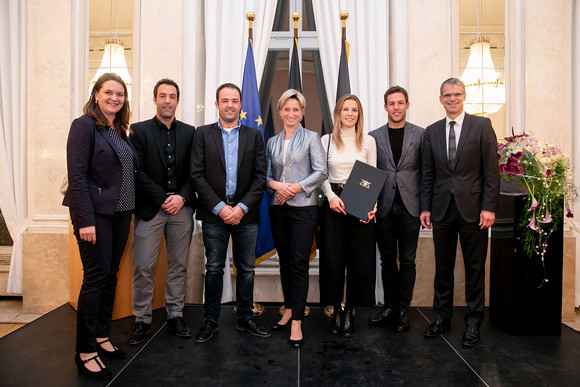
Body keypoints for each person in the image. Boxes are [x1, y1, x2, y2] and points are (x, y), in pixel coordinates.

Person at [63, 73, 136, 379]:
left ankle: (101, 336)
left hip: (121, 214)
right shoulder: (83, 126)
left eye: (119, 94)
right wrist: (85, 221)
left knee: (110, 276)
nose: (114, 98)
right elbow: (77, 176)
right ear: (96, 95)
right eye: (108, 93)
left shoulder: (118, 131)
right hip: (96, 216)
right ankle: (85, 350)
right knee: (95, 279)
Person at [420, 78, 500, 347]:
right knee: (443, 269)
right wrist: (426, 207)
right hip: (442, 210)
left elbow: (491, 170)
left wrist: (489, 206)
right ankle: (441, 317)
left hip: (475, 211)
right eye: (447, 95)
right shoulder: (431, 132)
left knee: (474, 269)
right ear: (440, 99)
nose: (452, 99)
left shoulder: (481, 126)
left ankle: (474, 323)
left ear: (464, 96)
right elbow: (428, 174)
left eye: (456, 94)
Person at [191, 83, 270, 343]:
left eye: (234, 101)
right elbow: (197, 176)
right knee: (213, 268)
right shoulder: (202, 134)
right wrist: (221, 208)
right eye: (224, 100)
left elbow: (260, 177)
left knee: (246, 269)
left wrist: (241, 208)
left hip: (246, 214)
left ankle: (245, 318)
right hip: (214, 214)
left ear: (240, 105)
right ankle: (210, 320)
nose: (230, 105)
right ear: (217, 104)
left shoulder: (254, 135)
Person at [128, 79, 196, 345]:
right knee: (143, 265)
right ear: (154, 99)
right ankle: (142, 320)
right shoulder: (138, 131)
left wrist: (181, 197)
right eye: (162, 96)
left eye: (172, 96)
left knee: (178, 266)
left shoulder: (191, 133)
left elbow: (196, 172)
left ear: (178, 101)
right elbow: (137, 172)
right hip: (150, 210)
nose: (167, 100)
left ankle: (175, 315)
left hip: (182, 209)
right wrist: (163, 198)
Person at [266, 89, 326, 348]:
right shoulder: (271, 142)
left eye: (296, 110)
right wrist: (278, 187)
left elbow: (321, 171)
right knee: (284, 262)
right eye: (286, 109)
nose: (291, 114)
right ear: (280, 112)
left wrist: (295, 188)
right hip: (278, 208)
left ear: (302, 113)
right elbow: (266, 176)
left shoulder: (312, 138)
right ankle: (288, 308)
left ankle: (298, 321)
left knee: (299, 263)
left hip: (304, 209)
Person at [319, 94, 377, 337]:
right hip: (333, 200)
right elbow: (320, 174)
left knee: (358, 259)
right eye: (345, 109)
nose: (350, 113)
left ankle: (350, 311)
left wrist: (373, 206)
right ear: (338, 113)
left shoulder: (368, 141)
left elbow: (373, 175)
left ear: (359, 114)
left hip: (360, 201)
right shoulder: (326, 140)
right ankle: (334, 312)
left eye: (354, 109)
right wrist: (331, 197)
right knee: (333, 259)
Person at [368, 86, 424, 332]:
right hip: (384, 207)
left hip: (412, 207)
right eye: (391, 103)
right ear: (385, 107)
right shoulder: (373, 136)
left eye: (400, 103)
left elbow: (426, 173)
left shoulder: (421, 135)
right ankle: (389, 307)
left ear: (407, 105)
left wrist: (427, 207)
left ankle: (403, 309)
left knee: (408, 261)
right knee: (387, 260)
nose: (396, 107)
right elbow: (368, 172)